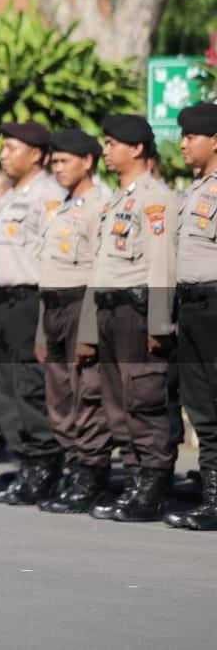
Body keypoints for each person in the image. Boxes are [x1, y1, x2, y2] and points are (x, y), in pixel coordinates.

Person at [78, 115, 177, 523]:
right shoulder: (116, 201)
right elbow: (99, 269)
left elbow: (161, 265)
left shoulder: (156, 199)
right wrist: (88, 329)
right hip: (108, 309)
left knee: (144, 399)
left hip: (136, 313)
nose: (106, 150)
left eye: (112, 143)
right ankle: (135, 482)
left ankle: (151, 488)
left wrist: (158, 323)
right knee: (117, 403)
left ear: (137, 148)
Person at [0, 122, 67, 505]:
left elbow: (49, 260)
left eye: (12, 148)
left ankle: (44, 464)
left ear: (37, 155)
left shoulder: (49, 196)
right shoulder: (7, 195)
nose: (4, 154)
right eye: (4, 147)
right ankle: (25, 461)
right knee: (4, 388)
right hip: (2, 302)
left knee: (29, 386)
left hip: (30, 301)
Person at [34, 129, 112, 514]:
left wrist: (90, 331)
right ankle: (72, 467)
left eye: (65, 161)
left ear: (88, 161)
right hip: (52, 308)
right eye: (55, 161)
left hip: (82, 304)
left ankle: (91, 475)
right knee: (60, 397)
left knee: (88, 395)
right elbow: (47, 271)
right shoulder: (61, 205)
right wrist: (39, 331)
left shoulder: (102, 204)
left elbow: (101, 270)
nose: (57, 168)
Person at [164, 103, 217, 530]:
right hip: (192, 306)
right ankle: (212, 498)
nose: (183, 143)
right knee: (202, 409)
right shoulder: (194, 189)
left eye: (192, 136)